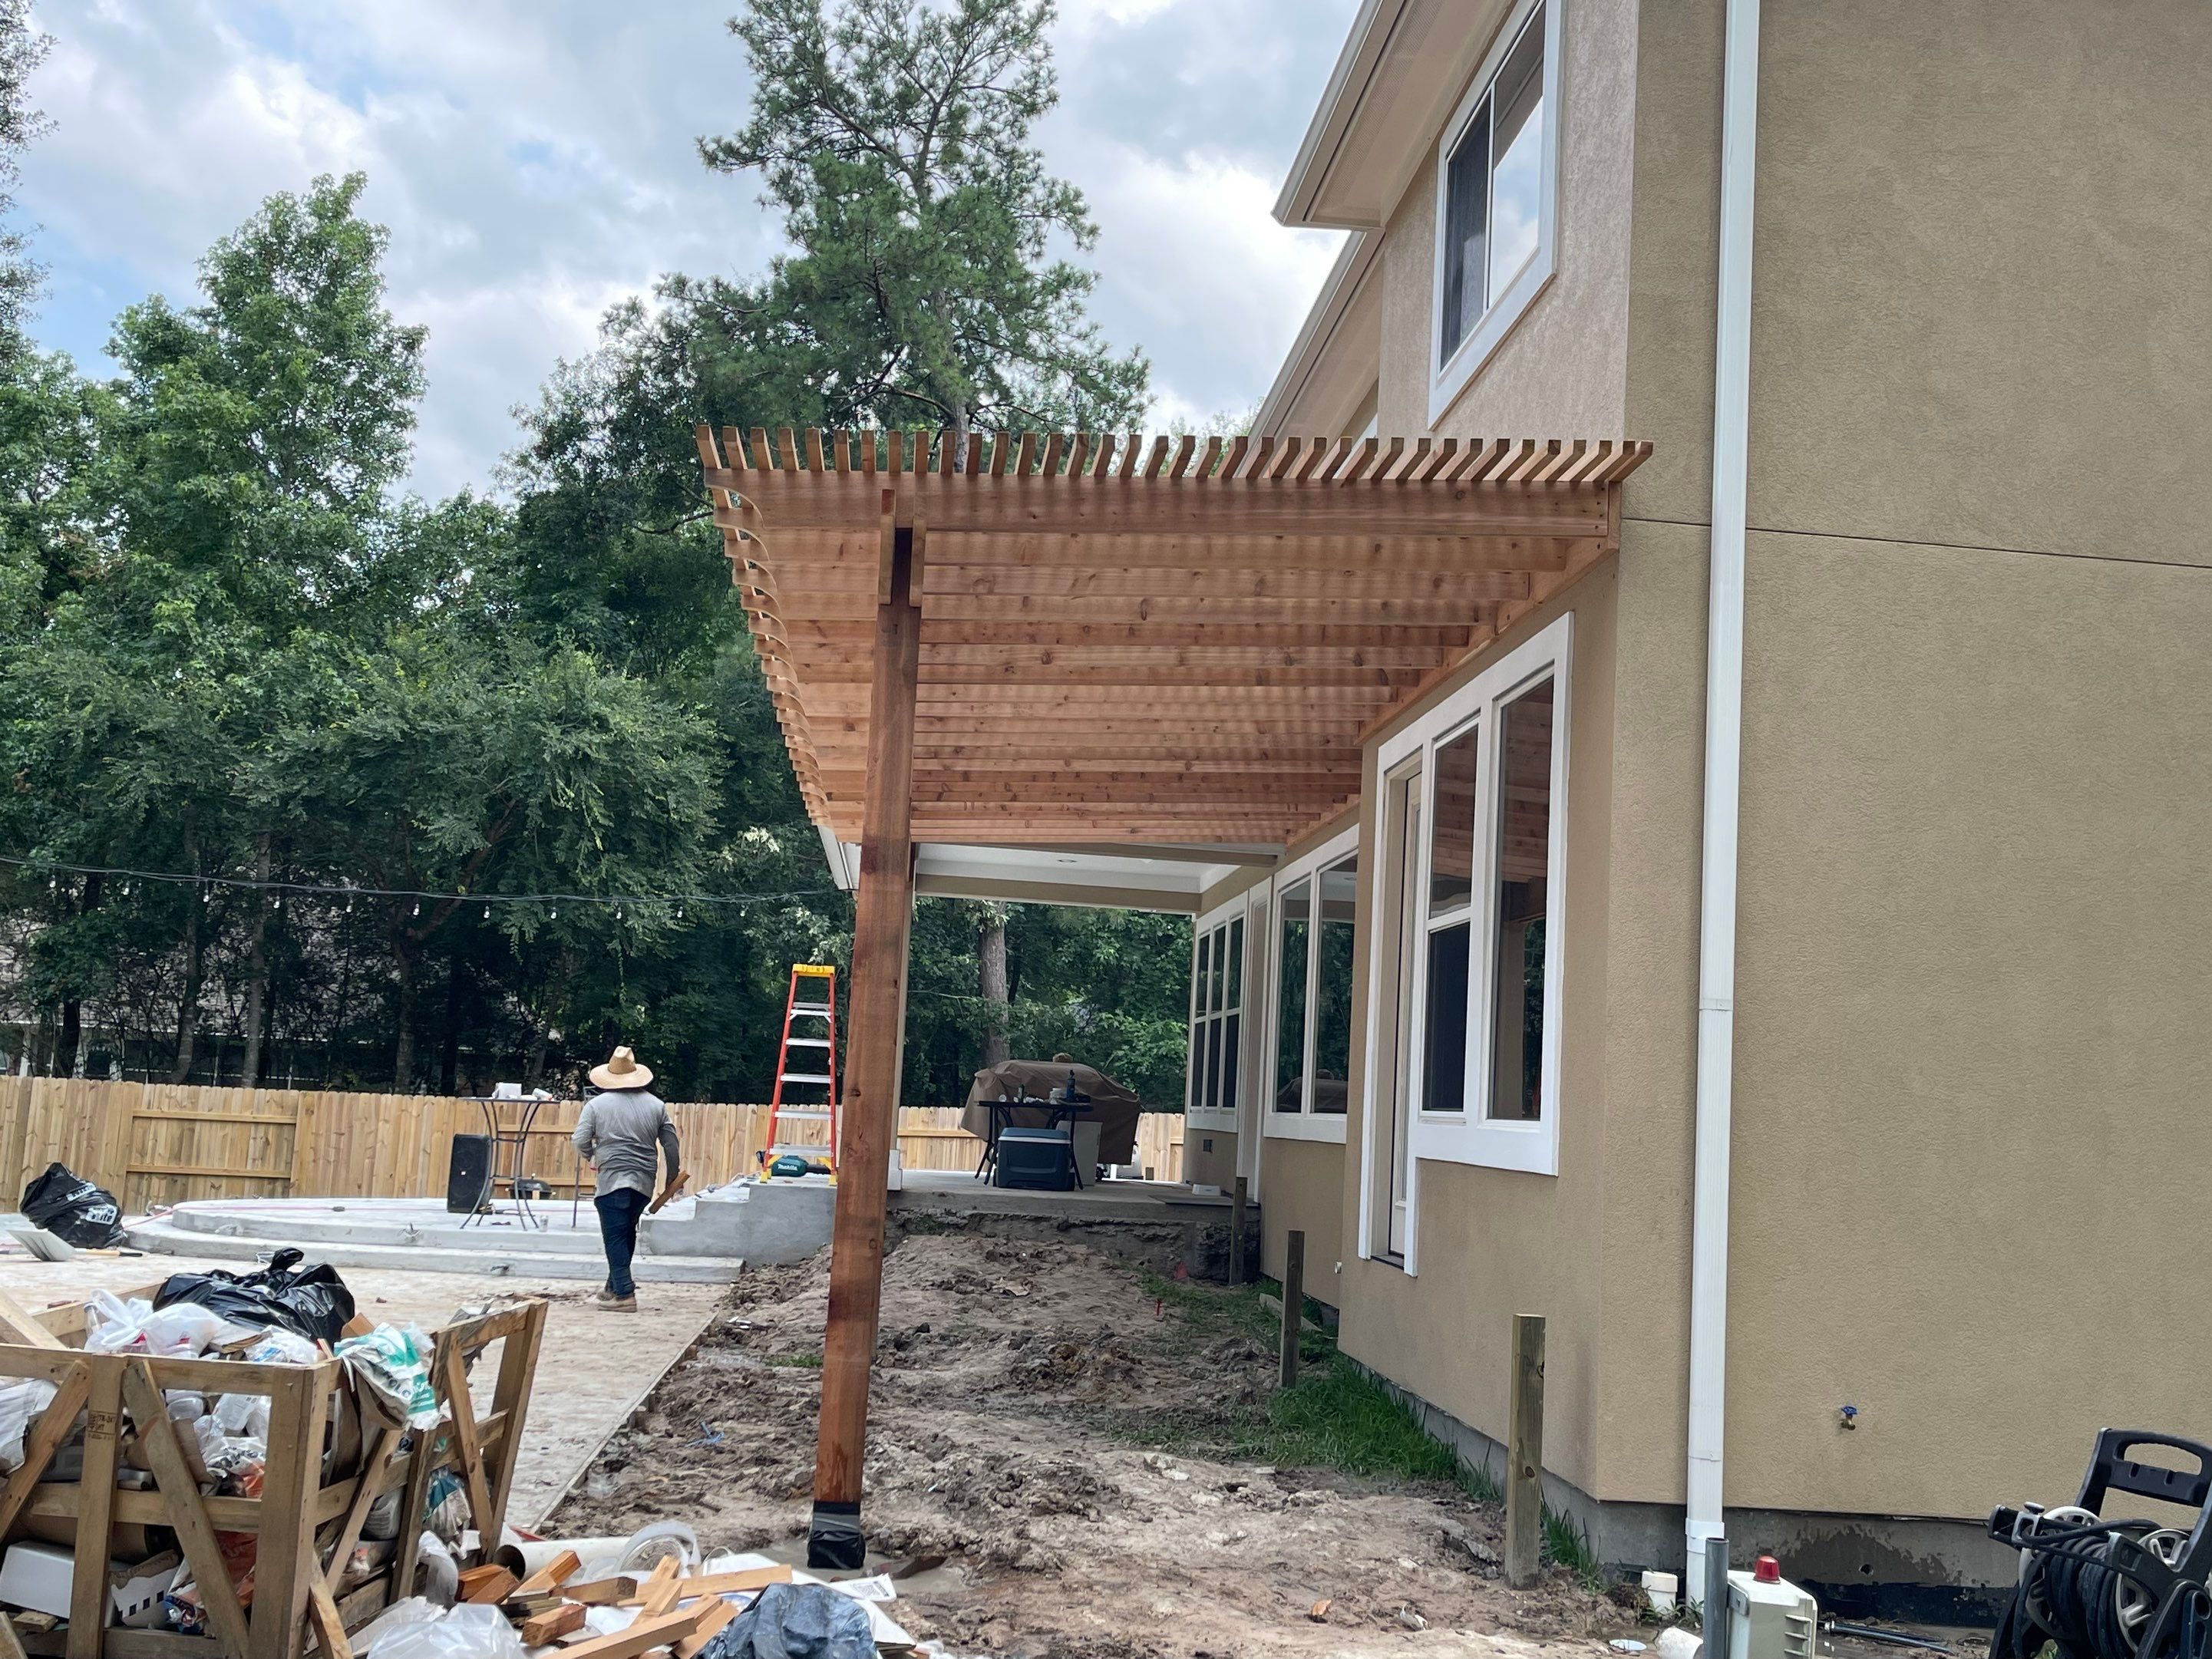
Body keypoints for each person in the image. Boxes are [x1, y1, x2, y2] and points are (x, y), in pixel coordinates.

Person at [572, 1045, 679, 1313]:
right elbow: (671, 1146)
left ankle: (624, 1294)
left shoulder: (596, 1105)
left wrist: (592, 1157)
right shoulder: (657, 1106)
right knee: (626, 1231)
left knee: (614, 1236)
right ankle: (612, 1286)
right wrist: (671, 1181)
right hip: (644, 1181)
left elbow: (580, 1140)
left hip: (612, 1180)